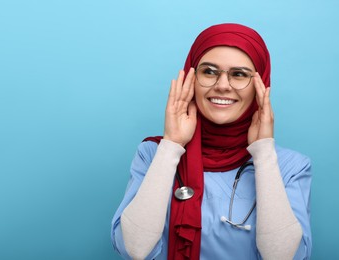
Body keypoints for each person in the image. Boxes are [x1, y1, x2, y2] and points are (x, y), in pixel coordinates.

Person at [111, 23, 312, 260]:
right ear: (191, 79)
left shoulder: (290, 166)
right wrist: (172, 145)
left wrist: (263, 152)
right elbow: (134, 249)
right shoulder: (152, 154)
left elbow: (283, 257)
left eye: (239, 74)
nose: (222, 86)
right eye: (209, 71)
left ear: (261, 86)